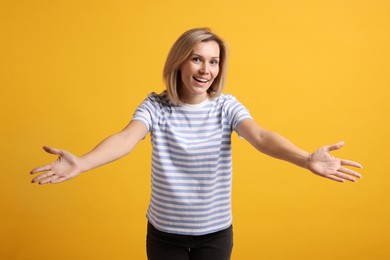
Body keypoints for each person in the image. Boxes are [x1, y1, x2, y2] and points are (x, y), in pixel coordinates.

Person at [30, 28, 363, 260]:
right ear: (179, 62)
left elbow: (260, 137)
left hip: (215, 236)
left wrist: (306, 159)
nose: (206, 69)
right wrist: (83, 162)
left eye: (214, 61)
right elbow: (126, 138)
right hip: (164, 235)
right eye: (197, 59)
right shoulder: (155, 106)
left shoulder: (227, 106)